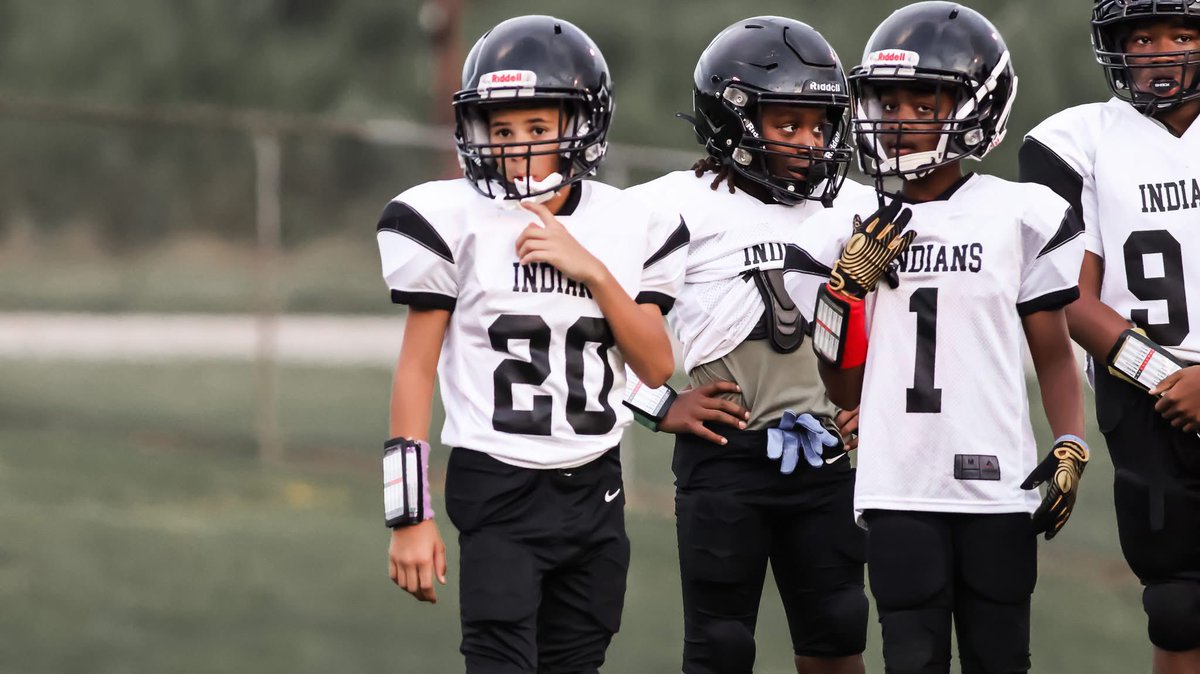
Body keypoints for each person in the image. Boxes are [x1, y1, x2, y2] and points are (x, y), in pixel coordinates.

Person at [376, 15, 687, 674]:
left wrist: (594, 271)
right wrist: (407, 514)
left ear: (581, 128)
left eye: (538, 130)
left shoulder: (628, 223)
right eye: (502, 129)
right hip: (498, 484)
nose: (517, 148)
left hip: (597, 491)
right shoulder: (454, 220)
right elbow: (414, 370)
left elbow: (656, 365)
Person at [809, 3, 1088, 672]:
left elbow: (1053, 352)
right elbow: (840, 384)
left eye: (921, 102)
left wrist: (1072, 441)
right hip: (899, 481)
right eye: (887, 101)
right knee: (910, 658)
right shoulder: (852, 220)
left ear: (977, 107)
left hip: (998, 482)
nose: (897, 119)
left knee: (1000, 659)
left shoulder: (1019, 213)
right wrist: (845, 293)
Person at [622, 17, 877, 674]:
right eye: (786, 125)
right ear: (732, 121)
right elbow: (592, 321)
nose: (808, 142)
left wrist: (872, 401)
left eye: (819, 126)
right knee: (721, 644)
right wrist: (658, 405)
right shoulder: (677, 204)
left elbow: (898, 323)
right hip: (725, 458)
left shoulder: (856, 207)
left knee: (840, 629)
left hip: (828, 454)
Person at [1021, 1, 1200, 670]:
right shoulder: (1075, 140)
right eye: (1142, 36)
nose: (1160, 50)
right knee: (1178, 608)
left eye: (1181, 33)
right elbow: (1071, 297)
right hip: (1147, 401)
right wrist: (1172, 381)